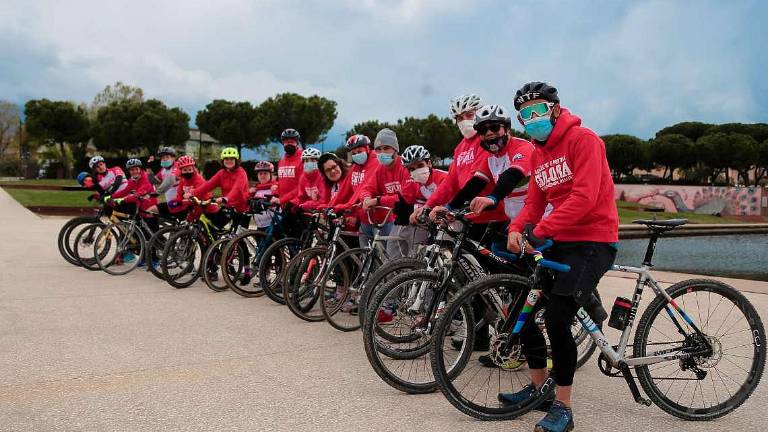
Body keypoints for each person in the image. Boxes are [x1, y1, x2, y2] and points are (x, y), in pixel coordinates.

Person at [499, 82, 619, 432]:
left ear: (554, 108)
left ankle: (563, 407)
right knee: (522, 310)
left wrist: (541, 231)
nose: (532, 119)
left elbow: (584, 197)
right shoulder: (538, 153)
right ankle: (539, 389)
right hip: (560, 240)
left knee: (556, 317)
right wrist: (517, 228)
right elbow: (535, 203)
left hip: (594, 240)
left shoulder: (584, 140)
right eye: (525, 115)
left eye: (538, 110)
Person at [411, 94, 483, 226]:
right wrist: (428, 205)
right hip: (468, 212)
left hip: (489, 209)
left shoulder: (485, 140)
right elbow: (450, 182)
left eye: (469, 115)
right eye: (459, 118)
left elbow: (478, 178)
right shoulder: (460, 148)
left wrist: (450, 206)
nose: (464, 121)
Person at [194, 147, 254, 283]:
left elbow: (237, 189)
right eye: (226, 159)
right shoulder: (222, 173)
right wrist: (193, 194)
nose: (229, 161)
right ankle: (215, 258)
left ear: (236, 160)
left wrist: (226, 198)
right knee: (214, 228)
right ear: (223, 160)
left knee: (239, 239)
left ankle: (247, 272)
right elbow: (208, 185)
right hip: (229, 208)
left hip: (242, 210)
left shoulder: (241, 173)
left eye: (231, 159)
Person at [359, 128, 419, 251]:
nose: (382, 153)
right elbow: (367, 188)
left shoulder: (405, 166)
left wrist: (378, 200)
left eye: (386, 148)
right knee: (391, 257)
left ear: (395, 149)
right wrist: (366, 198)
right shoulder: (380, 169)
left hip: (412, 218)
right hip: (393, 219)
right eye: (378, 149)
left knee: (412, 257)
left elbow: (407, 197)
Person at [387, 145, 447, 258]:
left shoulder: (442, 177)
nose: (417, 171)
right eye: (412, 169)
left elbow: (446, 201)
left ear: (429, 163)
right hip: (436, 225)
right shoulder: (416, 184)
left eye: (420, 165)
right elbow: (415, 203)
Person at [328, 134, 379, 237]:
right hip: (362, 217)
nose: (357, 155)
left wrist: (342, 208)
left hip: (376, 217)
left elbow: (362, 190)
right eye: (354, 153)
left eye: (360, 151)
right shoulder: (355, 167)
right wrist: (330, 206)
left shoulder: (376, 163)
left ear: (367, 148)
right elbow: (344, 191)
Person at [108, 158, 159, 232]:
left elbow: (137, 195)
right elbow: (125, 191)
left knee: (153, 232)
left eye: (136, 169)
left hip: (150, 206)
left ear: (140, 169)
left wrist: (123, 200)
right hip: (140, 205)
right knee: (139, 228)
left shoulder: (146, 178)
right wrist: (111, 196)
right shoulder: (132, 179)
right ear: (129, 171)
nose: (134, 171)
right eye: (132, 170)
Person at [274, 128, 305, 236]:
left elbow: (302, 186)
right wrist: (274, 192)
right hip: (285, 207)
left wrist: (283, 200)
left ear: (297, 142)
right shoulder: (281, 161)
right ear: (283, 143)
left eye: (291, 141)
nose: (289, 143)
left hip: (298, 207)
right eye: (286, 141)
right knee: (285, 239)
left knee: (298, 241)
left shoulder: (303, 159)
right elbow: (281, 182)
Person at [146, 147, 185, 219]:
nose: (164, 159)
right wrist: (148, 167)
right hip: (169, 203)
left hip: (180, 204)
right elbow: (153, 181)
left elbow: (170, 180)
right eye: (162, 157)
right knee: (149, 212)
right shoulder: (163, 170)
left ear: (173, 158)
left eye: (167, 157)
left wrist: (156, 193)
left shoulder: (177, 166)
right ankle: (155, 230)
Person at [250, 160, 278, 229]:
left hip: (273, 225)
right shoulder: (255, 189)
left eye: (265, 173)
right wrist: (249, 194)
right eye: (260, 174)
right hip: (259, 225)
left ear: (270, 175)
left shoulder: (275, 186)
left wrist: (276, 191)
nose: (262, 176)